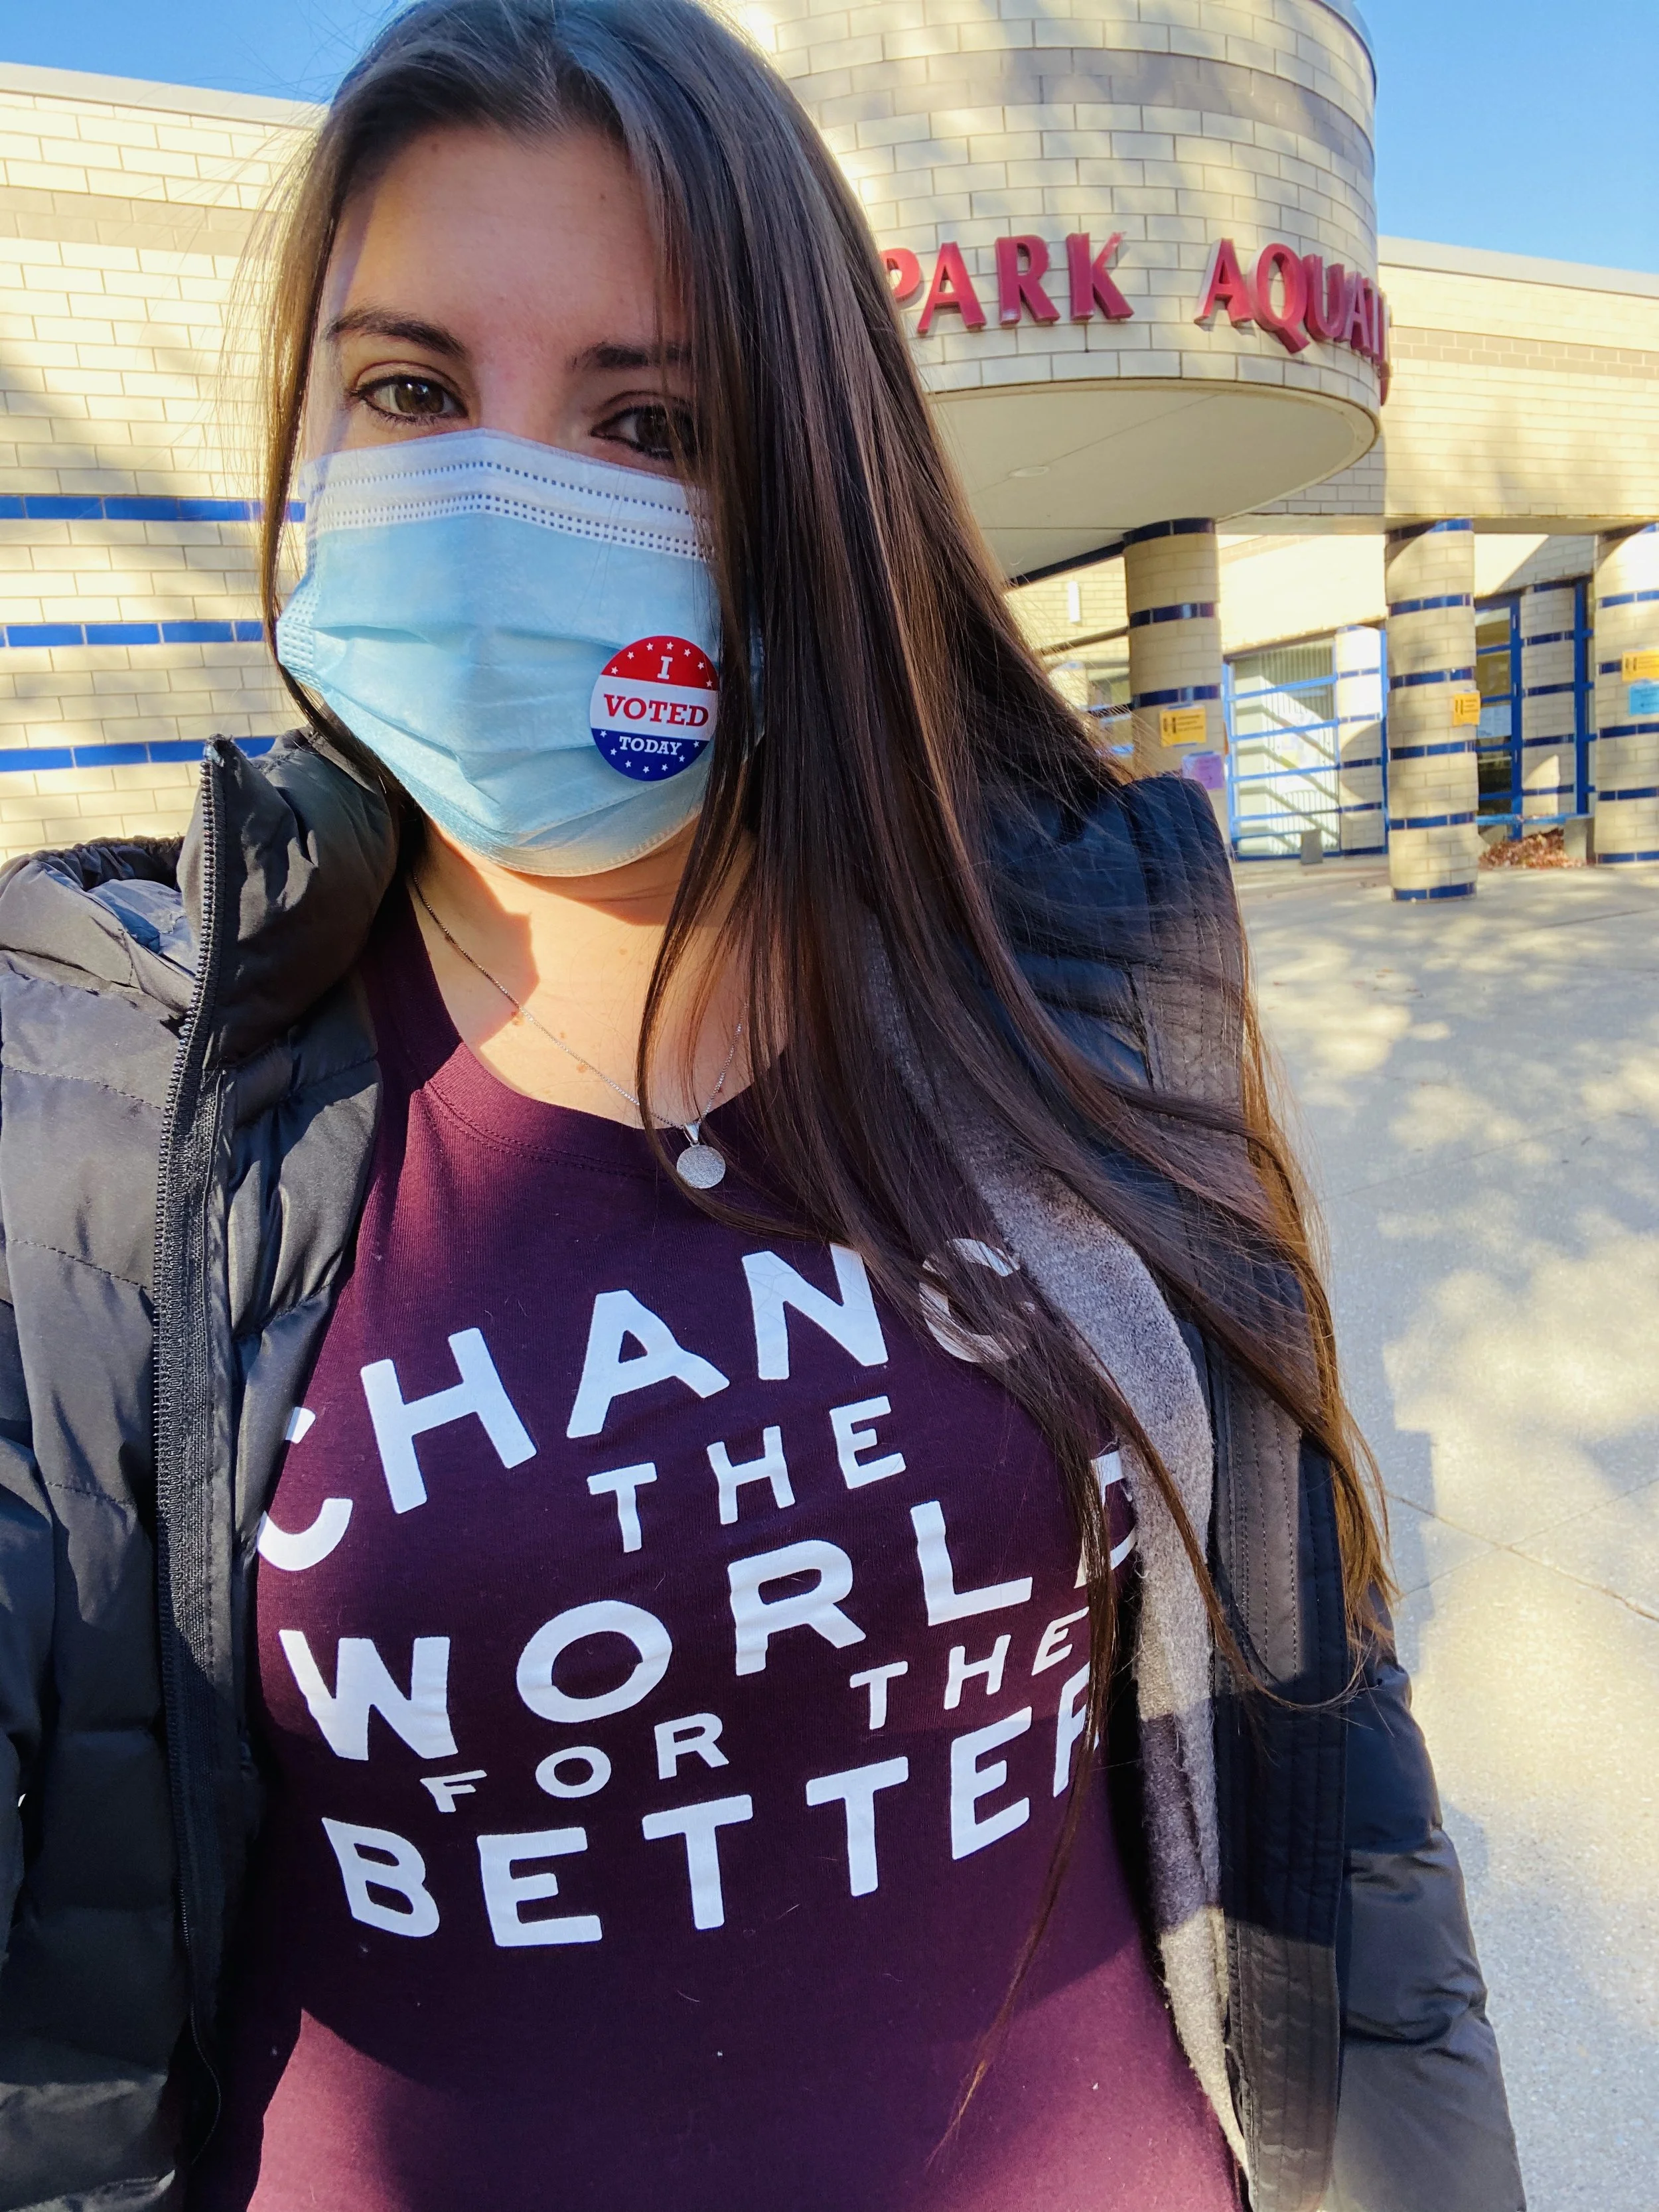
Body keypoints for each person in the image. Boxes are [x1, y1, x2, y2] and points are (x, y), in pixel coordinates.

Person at [0, 2, 1525, 2207]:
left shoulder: (1075, 989)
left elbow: (1323, 1752)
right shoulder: (105, 1089)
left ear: (809, 494)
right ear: (307, 430)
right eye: (412, 389)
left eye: (650, 423)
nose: (504, 499)